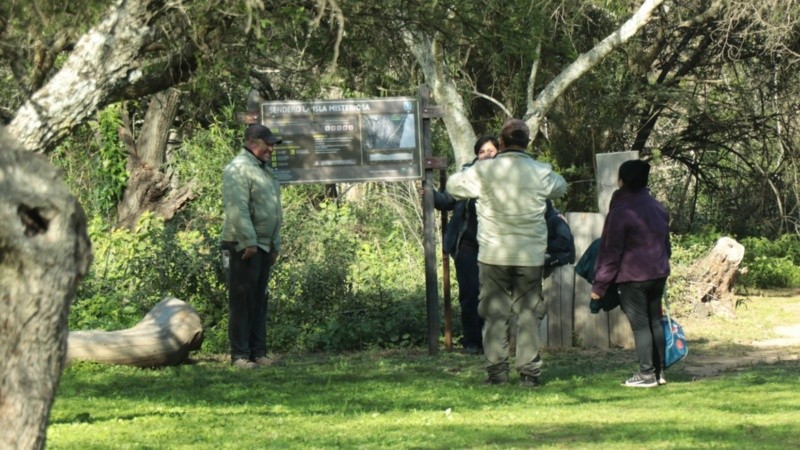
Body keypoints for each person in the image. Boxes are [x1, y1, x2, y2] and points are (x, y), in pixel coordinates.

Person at [446, 119, 567, 387]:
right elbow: (561, 186)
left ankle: (497, 373)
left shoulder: (484, 171)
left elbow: (453, 186)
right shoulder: (540, 171)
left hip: (492, 255)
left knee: (493, 314)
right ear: (527, 143)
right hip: (530, 256)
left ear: (501, 143)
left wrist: (477, 167)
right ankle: (529, 374)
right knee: (529, 314)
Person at [591, 159, 671, 388]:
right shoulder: (658, 208)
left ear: (622, 181)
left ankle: (646, 375)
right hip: (658, 273)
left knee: (640, 325)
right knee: (655, 321)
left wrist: (599, 286)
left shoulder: (621, 211)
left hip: (633, 276)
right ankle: (659, 372)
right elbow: (667, 245)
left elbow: (611, 251)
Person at [221, 124, 284, 369]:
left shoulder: (265, 170)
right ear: (252, 142)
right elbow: (237, 208)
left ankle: (258, 352)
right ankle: (240, 356)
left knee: (259, 300)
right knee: (242, 300)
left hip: (263, 245)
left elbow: (274, 210)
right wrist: (248, 242)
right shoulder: (238, 169)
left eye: (272, 144)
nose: (271, 148)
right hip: (241, 245)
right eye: (267, 143)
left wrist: (274, 244)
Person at [433, 135, 499, 355]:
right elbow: (446, 201)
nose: (486, 155)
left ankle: (493, 341)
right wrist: (429, 194)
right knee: (470, 295)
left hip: (496, 247)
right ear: (476, 155)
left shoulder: (507, 176)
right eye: (482, 152)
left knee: (493, 295)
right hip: (467, 247)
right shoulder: (466, 178)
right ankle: (472, 341)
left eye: (490, 150)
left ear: (499, 152)